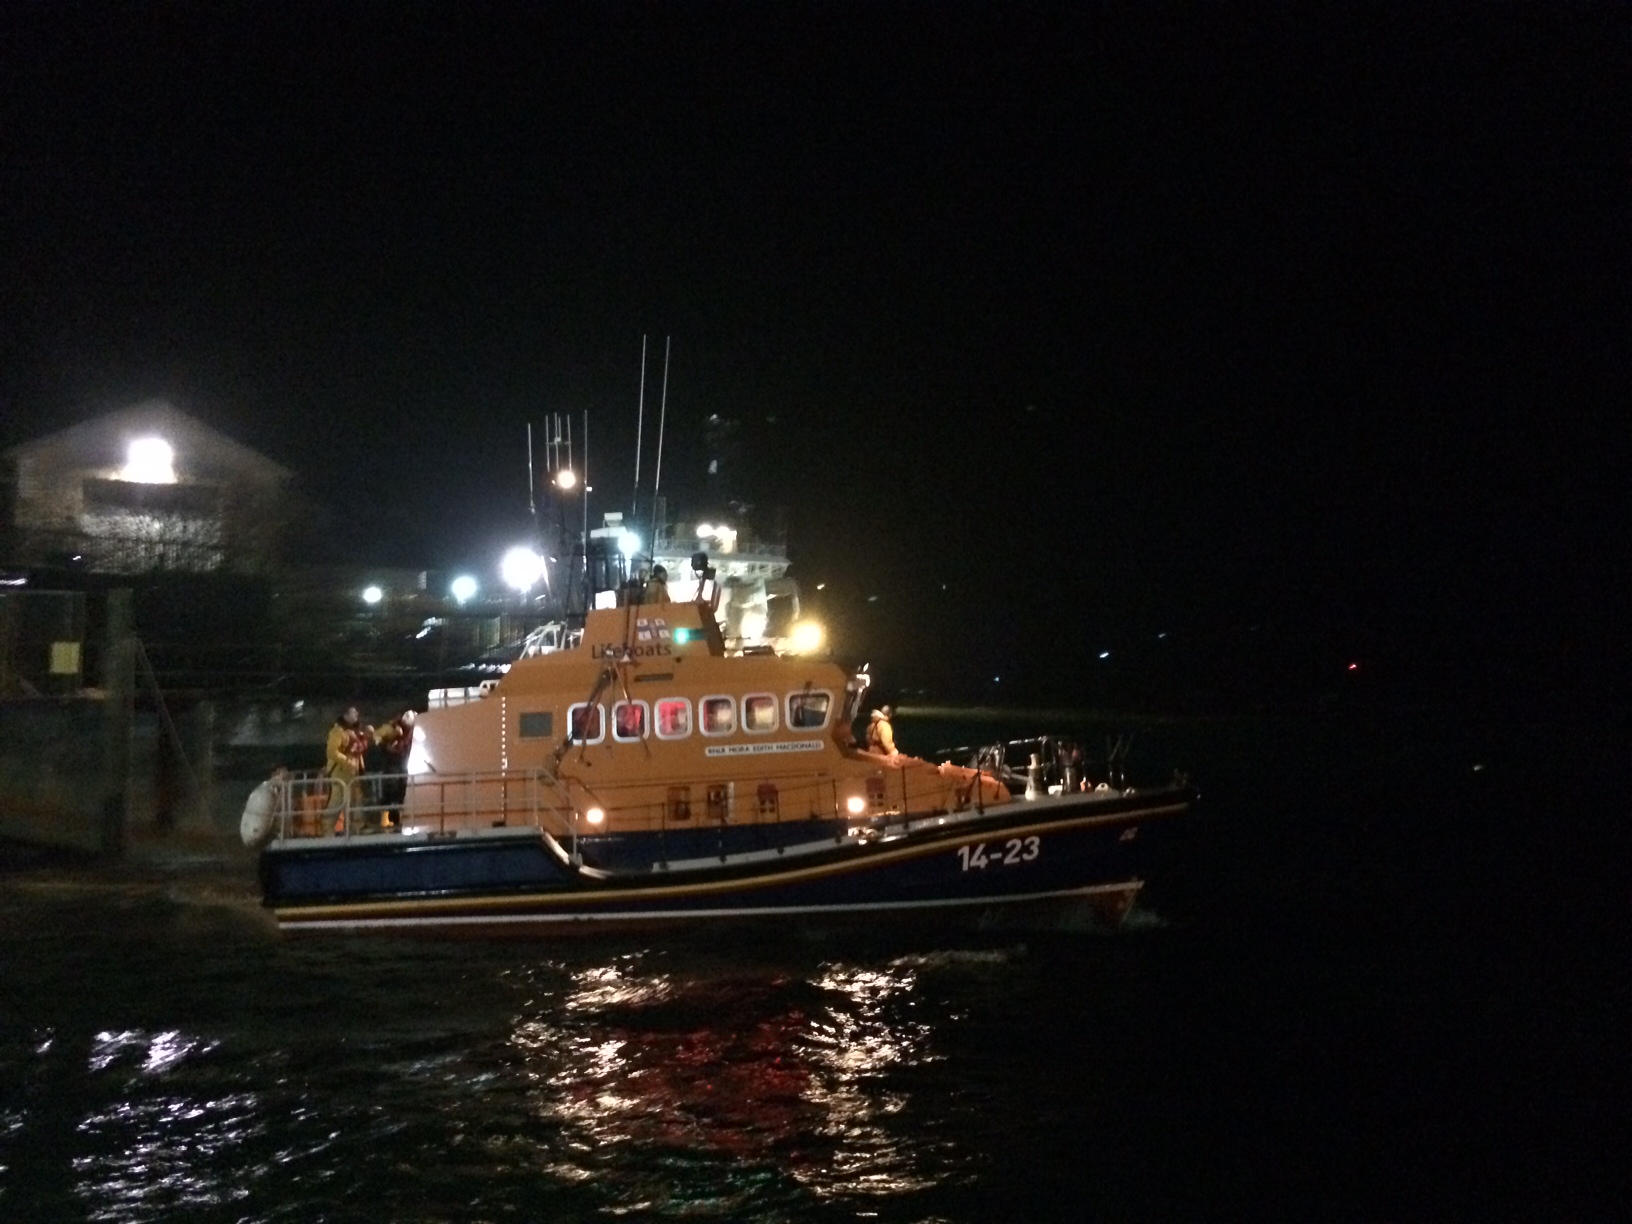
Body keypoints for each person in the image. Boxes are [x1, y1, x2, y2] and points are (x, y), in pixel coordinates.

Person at [322, 706, 374, 834]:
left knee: (355, 801)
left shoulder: (353, 731)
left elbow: (357, 751)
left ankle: (355, 829)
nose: (357, 713)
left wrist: (359, 767)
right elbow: (332, 752)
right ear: (345, 714)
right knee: (337, 802)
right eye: (353, 712)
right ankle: (328, 830)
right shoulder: (337, 732)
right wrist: (347, 761)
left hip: (352, 773)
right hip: (340, 773)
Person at [373, 709, 417, 830]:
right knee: (391, 790)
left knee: (403, 791)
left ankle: (400, 820)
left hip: (404, 763)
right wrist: (386, 745)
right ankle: (390, 821)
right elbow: (377, 737)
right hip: (392, 763)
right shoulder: (391, 728)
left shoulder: (414, 730)